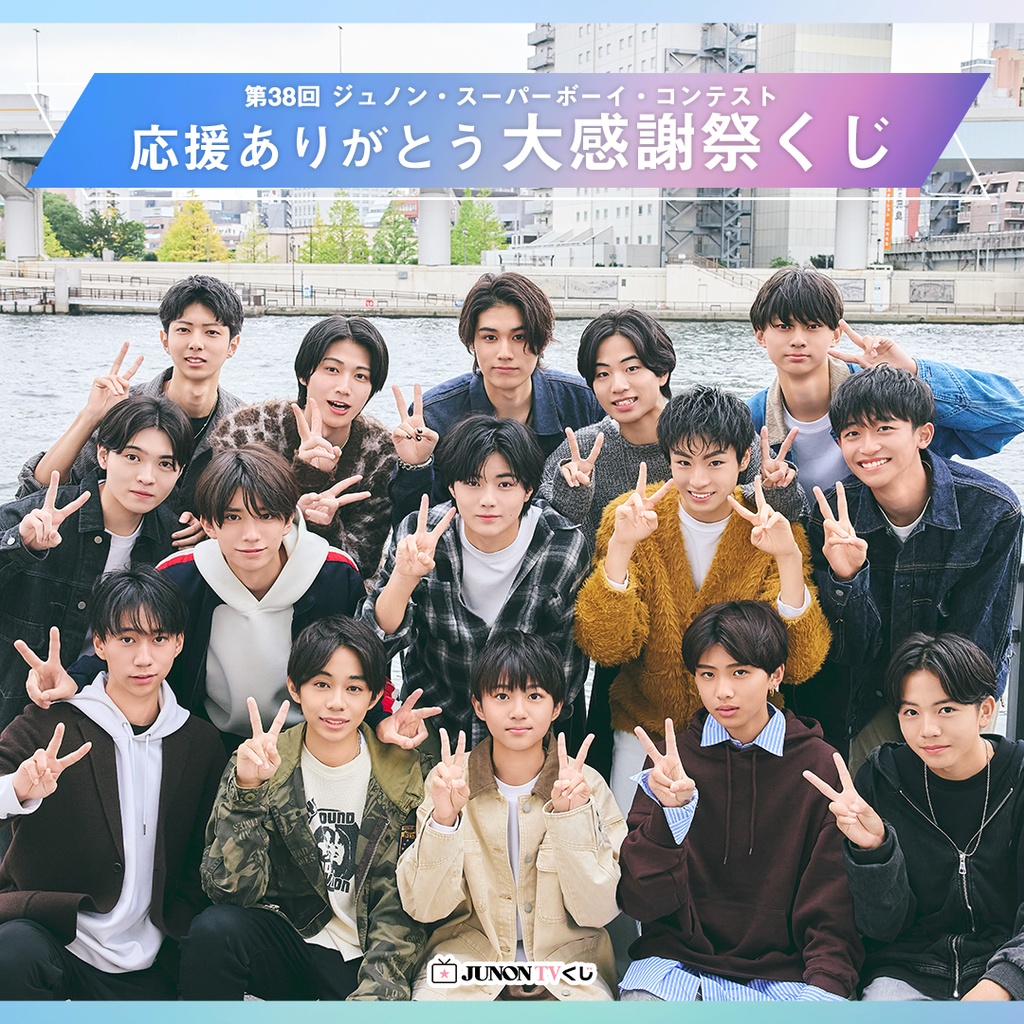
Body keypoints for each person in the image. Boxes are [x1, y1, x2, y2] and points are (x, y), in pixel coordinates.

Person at [539, 307, 803, 779]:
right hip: (637, 651)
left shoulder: (703, 427)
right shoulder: (582, 451)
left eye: (632, 368)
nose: (618, 385)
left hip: (732, 668)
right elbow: (554, 546)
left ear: (662, 371)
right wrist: (575, 497)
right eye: (602, 374)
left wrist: (779, 490)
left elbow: (759, 506)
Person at [574, 385, 831, 813]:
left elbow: (799, 663)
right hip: (645, 731)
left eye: (715, 463)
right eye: (683, 462)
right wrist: (620, 546)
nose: (698, 480)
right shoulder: (630, 516)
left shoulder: (772, 528)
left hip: (744, 734)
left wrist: (788, 558)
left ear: (743, 460)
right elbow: (607, 646)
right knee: (634, 845)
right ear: (667, 459)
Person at [618, 601, 862, 1002]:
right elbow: (640, 902)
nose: (722, 691)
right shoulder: (671, 761)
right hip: (677, 966)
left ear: (776, 675)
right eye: (707, 674)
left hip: (786, 977)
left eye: (740, 672)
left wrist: (827, 989)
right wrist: (669, 815)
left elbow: (832, 908)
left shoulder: (819, 765)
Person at [0, 568, 226, 1000]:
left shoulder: (199, 742)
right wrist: (19, 788)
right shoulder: (52, 721)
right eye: (127, 639)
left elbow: (203, 855)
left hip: (151, 957)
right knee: (12, 953)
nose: (144, 658)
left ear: (179, 643)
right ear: (100, 644)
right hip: (56, 940)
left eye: (159, 639)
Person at [180, 615, 430, 1001]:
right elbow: (229, 892)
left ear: (373, 697)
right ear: (295, 688)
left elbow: (399, 908)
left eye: (353, 688)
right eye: (321, 684)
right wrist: (248, 791)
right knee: (214, 930)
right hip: (289, 942)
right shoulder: (264, 761)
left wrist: (376, 995)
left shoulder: (402, 775)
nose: (336, 702)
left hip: (362, 957)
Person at [807, 365, 1023, 771]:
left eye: (884, 428)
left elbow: (980, 635)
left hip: (956, 693)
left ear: (923, 434)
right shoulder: (832, 517)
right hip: (867, 698)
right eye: (852, 433)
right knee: (866, 797)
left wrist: (932, 712)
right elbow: (849, 650)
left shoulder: (991, 510)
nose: (868, 446)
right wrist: (848, 579)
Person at [397, 629, 625, 1001]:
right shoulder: (449, 781)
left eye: (534, 696)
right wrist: (444, 821)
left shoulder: (587, 785)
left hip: (569, 967)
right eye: (502, 696)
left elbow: (600, 911)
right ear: (478, 705)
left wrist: (572, 817)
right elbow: (423, 907)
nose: (518, 711)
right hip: (466, 963)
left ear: (556, 707)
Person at [805, 632, 1024, 1001]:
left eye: (946, 709)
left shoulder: (1018, 777)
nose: (927, 730)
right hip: (907, 974)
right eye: (911, 712)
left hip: (1005, 970)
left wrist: (1003, 982)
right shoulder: (883, 778)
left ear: (985, 711)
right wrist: (875, 851)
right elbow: (882, 929)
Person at [363, 414, 591, 752]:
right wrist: (404, 578)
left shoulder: (562, 545)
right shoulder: (422, 533)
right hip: (434, 717)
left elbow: (567, 665)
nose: (488, 499)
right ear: (452, 487)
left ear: (528, 489)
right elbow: (374, 643)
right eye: (472, 483)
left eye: (505, 484)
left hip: (524, 727)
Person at [0, 395, 193, 737]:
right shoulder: (40, 516)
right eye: (132, 457)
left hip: (104, 718)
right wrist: (22, 546)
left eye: (165, 464)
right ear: (103, 454)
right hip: (13, 705)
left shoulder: (173, 541)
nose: (147, 477)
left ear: (179, 472)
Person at [747, 265, 1024, 502]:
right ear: (760, 335)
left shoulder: (887, 396)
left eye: (812, 326)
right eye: (783, 326)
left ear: (835, 334)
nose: (798, 340)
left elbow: (1012, 415)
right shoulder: (751, 419)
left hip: (896, 545)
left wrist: (913, 372)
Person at [155, 445, 371, 745]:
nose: (251, 535)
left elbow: (365, 663)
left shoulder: (334, 574)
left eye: (266, 515)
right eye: (233, 517)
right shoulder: (177, 578)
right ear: (208, 524)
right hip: (205, 739)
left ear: (288, 520)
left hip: (312, 738)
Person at [18, 275, 247, 545]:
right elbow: (36, 492)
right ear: (165, 340)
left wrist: (214, 525)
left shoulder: (245, 427)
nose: (196, 343)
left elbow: (257, 512)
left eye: (211, 332)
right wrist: (91, 415)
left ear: (233, 345)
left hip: (193, 562)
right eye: (184, 330)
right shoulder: (124, 404)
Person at [387, 271, 603, 522]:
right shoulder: (434, 415)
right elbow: (410, 525)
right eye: (490, 337)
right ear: (472, 342)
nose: (505, 353)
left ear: (542, 341)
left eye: (519, 337)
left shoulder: (583, 402)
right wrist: (415, 469)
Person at [211, 315, 397, 580]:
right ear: (304, 374)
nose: (344, 388)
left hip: (330, 587)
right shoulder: (245, 431)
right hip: (243, 579)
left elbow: (362, 565)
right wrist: (304, 483)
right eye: (332, 369)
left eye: (360, 376)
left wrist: (325, 525)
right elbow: (225, 532)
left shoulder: (381, 453)